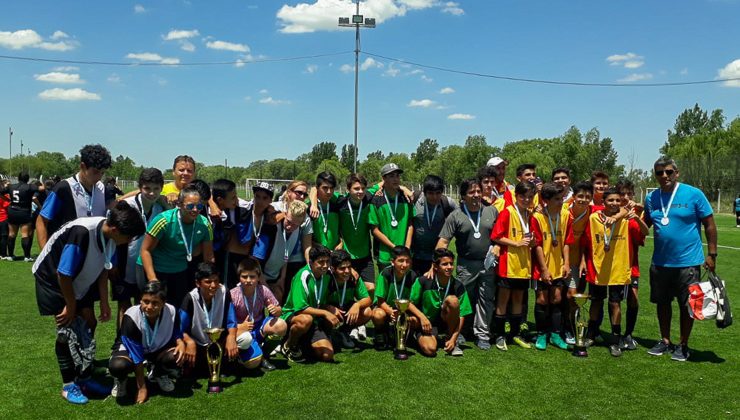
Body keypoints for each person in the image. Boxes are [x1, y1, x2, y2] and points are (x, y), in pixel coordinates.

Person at [33, 202, 145, 404]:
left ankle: (84, 375)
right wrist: (71, 305)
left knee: (89, 323)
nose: (129, 241)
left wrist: (104, 301)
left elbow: (104, 268)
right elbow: (63, 273)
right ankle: (69, 386)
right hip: (53, 281)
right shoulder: (82, 232)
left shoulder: (109, 235)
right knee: (67, 331)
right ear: (115, 229)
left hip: (77, 279)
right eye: (128, 237)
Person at [643, 157, 717, 362]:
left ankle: (683, 345)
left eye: (668, 172)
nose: (664, 176)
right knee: (662, 303)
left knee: (688, 305)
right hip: (660, 262)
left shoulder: (694, 194)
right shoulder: (651, 198)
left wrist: (712, 254)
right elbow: (643, 225)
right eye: (659, 173)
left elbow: (709, 224)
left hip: (688, 262)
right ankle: (665, 340)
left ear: (677, 172)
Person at [580, 187, 648, 357]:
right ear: (603, 202)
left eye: (617, 200)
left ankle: (615, 340)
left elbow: (644, 234)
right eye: (611, 200)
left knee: (615, 303)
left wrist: (637, 219)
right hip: (598, 268)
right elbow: (586, 243)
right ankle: (591, 335)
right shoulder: (594, 218)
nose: (614, 203)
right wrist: (583, 261)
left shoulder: (627, 220)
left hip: (618, 269)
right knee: (596, 302)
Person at [436, 178, 498, 350]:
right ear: (463, 196)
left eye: (478, 191)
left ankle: (482, 334)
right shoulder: (455, 215)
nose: (476, 195)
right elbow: (443, 241)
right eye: (471, 192)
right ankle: (461, 331)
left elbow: (501, 235)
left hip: (488, 263)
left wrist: (498, 246)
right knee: (465, 299)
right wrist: (437, 263)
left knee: (486, 299)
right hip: (465, 264)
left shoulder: (491, 211)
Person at [108, 281, 188, 403]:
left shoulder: (171, 311)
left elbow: (176, 330)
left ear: (163, 303)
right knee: (118, 366)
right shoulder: (131, 316)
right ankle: (121, 379)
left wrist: (180, 343)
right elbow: (136, 355)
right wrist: (142, 387)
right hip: (130, 350)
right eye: (146, 301)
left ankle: (158, 373)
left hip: (156, 348)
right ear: (140, 300)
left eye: (155, 303)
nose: (149, 307)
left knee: (177, 356)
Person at [139, 186, 214, 306]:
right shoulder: (164, 221)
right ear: (179, 204)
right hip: (155, 268)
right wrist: (153, 280)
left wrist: (211, 279)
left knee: (179, 307)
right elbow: (145, 250)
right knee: (153, 308)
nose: (195, 210)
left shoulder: (204, 224)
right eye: (190, 206)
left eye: (199, 206)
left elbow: (209, 257)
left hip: (179, 269)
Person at [115, 168, 166, 330]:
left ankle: (141, 340)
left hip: (145, 266)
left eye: (156, 188)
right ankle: (121, 343)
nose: (151, 193)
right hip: (122, 264)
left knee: (142, 304)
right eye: (147, 188)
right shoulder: (126, 205)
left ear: (161, 188)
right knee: (124, 305)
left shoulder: (159, 209)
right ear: (140, 187)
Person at [36, 144, 112, 249]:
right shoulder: (63, 188)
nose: (99, 177)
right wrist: (44, 254)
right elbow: (42, 220)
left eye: (102, 173)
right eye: (95, 172)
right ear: (82, 166)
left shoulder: (103, 189)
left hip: (93, 256)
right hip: (66, 255)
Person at [491, 182, 538, 351]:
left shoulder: (530, 215)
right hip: (507, 264)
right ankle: (499, 335)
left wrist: (532, 242)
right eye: (523, 196)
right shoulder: (507, 212)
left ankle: (516, 334)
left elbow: (533, 240)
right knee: (503, 301)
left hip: (523, 265)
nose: (526, 199)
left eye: (529, 197)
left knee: (518, 300)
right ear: (516, 196)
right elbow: (496, 236)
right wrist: (516, 243)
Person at [531, 183, 572, 351]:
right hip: (542, 266)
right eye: (557, 199)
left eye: (562, 198)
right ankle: (541, 333)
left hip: (559, 265)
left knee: (557, 298)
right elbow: (537, 245)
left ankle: (555, 334)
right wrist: (544, 269)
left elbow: (567, 242)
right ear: (546, 200)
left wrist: (567, 263)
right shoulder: (538, 217)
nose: (561, 201)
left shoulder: (566, 215)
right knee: (542, 299)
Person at [179, 263, 239, 378]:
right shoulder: (190, 299)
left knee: (243, 338)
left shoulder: (224, 292)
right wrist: (189, 342)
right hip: (198, 344)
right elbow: (179, 329)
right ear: (198, 283)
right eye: (208, 282)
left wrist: (231, 337)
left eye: (216, 280)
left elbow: (231, 320)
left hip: (219, 342)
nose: (213, 285)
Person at [409, 248, 472, 357]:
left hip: (446, 324)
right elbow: (409, 303)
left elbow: (462, 316)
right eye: (445, 264)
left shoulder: (458, 285)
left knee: (452, 300)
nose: (449, 267)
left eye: (451, 264)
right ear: (435, 266)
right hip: (426, 324)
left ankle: (449, 339)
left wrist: (454, 339)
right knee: (430, 350)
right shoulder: (423, 281)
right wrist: (422, 318)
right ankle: (416, 335)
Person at [280, 245, 336, 363]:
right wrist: (325, 313)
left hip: (313, 320)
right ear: (311, 262)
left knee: (327, 355)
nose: (325, 265)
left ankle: (304, 342)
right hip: (293, 316)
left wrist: (329, 308)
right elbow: (300, 309)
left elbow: (320, 301)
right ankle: (289, 345)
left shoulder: (326, 275)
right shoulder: (303, 275)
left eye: (327, 261)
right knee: (305, 320)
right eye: (320, 262)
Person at [229, 256, 286, 372]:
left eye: (252, 277)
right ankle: (241, 354)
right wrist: (240, 327)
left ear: (259, 278)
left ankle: (264, 355)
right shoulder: (233, 295)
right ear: (239, 277)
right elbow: (228, 321)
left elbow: (279, 310)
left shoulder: (263, 290)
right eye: (244, 277)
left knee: (281, 326)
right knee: (252, 364)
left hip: (259, 327)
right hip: (242, 331)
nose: (248, 280)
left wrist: (276, 310)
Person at [261, 200, 313, 303]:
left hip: (275, 276)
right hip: (260, 274)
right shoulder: (273, 227)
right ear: (285, 214)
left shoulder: (297, 231)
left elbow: (286, 256)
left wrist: (282, 279)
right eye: (288, 221)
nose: (290, 227)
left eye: (295, 225)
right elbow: (254, 259)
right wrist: (263, 283)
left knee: (278, 298)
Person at [336, 173, 377, 301]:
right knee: (347, 290)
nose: (360, 191)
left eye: (363, 188)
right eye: (356, 188)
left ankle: (363, 312)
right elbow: (316, 189)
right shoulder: (340, 201)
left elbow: (382, 184)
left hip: (365, 256)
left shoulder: (368, 199)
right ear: (348, 189)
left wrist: (405, 189)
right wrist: (314, 203)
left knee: (370, 288)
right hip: (347, 256)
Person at [615, 179, 645, 350]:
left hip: (631, 263)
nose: (626, 197)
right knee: (615, 300)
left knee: (633, 300)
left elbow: (641, 238)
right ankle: (616, 334)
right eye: (622, 194)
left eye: (629, 193)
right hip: (614, 264)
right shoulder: (612, 212)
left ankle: (628, 334)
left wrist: (638, 213)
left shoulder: (637, 214)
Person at [369, 163, 414, 272]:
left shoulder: (406, 198)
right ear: (384, 179)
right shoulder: (376, 200)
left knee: (403, 286)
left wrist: (406, 248)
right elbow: (374, 229)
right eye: (391, 176)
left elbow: (410, 224)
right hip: (385, 254)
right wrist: (394, 247)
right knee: (386, 286)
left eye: (397, 176)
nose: (396, 179)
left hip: (404, 253)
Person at [209, 178, 253, 289]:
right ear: (220, 200)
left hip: (228, 256)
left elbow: (255, 204)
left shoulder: (239, 207)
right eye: (233, 197)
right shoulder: (207, 210)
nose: (236, 200)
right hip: (211, 255)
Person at [564, 181, 594, 344]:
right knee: (552, 297)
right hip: (556, 258)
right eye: (580, 196)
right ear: (574, 197)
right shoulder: (564, 210)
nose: (583, 199)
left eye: (587, 197)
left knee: (572, 295)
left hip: (576, 260)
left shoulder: (592, 212)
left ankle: (570, 328)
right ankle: (554, 329)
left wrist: (583, 259)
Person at [371, 246, 417, 349]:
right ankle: (380, 334)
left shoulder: (413, 276)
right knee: (378, 315)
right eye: (400, 261)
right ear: (392, 262)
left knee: (414, 319)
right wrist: (390, 312)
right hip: (385, 307)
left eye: (407, 261)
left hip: (403, 310)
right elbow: (380, 301)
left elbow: (412, 301)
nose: (404, 265)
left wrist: (403, 313)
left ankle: (403, 335)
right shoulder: (386, 273)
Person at [326, 249, 372, 348]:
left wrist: (357, 305)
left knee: (367, 312)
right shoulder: (326, 279)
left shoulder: (353, 277)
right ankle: (327, 333)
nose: (347, 271)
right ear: (333, 269)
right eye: (342, 268)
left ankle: (344, 331)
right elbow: (316, 303)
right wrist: (328, 307)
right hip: (329, 309)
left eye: (349, 267)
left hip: (346, 307)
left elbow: (368, 299)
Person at [411, 175, 457, 275]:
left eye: (438, 193)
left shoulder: (448, 203)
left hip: (437, 257)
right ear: (424, 192)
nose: (435, 197)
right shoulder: (414, 199)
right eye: (431, 193)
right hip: (415, 256)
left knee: (434, 288)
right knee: (415, 287)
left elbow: (461, 219)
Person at [3, 172, 39, 261]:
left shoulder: (11, 186)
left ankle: (10, 255)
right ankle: (27, 256)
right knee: (25, 234)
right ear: (27, 179)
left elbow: (1, 192)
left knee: (11, 234)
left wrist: (8, 199)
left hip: (12, 211)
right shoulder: (30, 187)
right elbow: (41, 188)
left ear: (18, 178)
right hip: (24, 211)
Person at [308, 172, 341, 250]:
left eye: (331, 188)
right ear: (317, 188)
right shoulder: (308, 207)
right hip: (316, 253)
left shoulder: (337, 202)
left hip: (335, 252)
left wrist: (341, 241)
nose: (329, 191)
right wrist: (313, 204)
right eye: (325, 188)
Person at [0, 180, 11, 261]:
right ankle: (3, 254)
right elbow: (7, 205)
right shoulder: (4, 196)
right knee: (4, 236)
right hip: (3, 217)